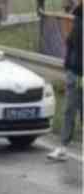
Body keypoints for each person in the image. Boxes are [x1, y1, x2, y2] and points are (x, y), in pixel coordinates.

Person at [48, 0, 82, 161]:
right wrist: (68, 66)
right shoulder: (77, 19)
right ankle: (63, 147)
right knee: (69, 110)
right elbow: (70, 45)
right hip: (74, 73)